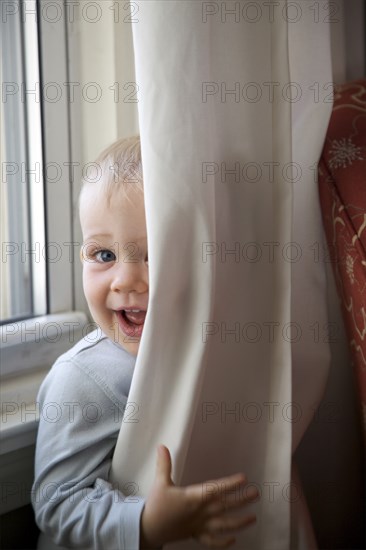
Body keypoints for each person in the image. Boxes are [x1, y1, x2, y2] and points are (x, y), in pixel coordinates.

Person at [31, 136, 259, 550]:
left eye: (155, 254)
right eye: (103, 255)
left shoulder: (213, 348)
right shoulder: (80, 378)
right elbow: (56, 504)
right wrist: (144, 524)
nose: (125, 280)